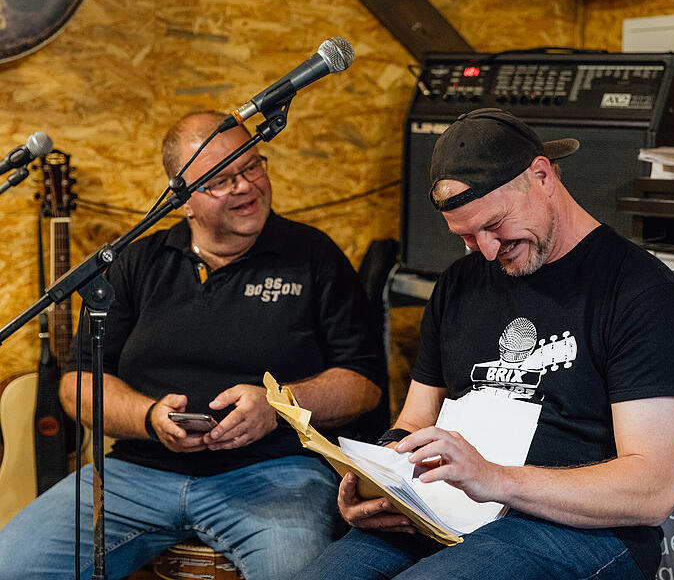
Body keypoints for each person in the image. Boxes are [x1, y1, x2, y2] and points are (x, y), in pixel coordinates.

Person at [296, 108, 674, 580]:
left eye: (495, 225)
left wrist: (495, 479)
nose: (486, 251)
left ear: (542, 176)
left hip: (578, 530)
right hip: (446, 509)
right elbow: (414, 419)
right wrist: (375, 479)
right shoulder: (460, 283)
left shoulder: (641, 292)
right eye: (466, 236)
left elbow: (651, 491)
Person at [0, 110, 386, 579]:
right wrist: (148, 416)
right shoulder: (139, 259)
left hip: (277, 474)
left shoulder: (313, 255)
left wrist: (278, 405)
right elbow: (78, 383)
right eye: (220, 180)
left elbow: (364, 385)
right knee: (13, 565)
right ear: (182, 198)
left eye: (252, 167)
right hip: (136, 474)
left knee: (301, 573)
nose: (245, 186)